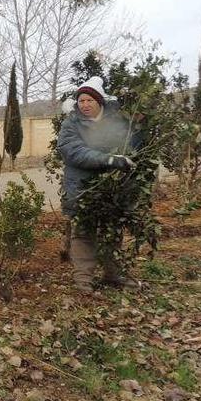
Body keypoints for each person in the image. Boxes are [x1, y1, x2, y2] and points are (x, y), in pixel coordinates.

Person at [57, 76, 140, 293]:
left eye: (89, 101)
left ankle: (114, 274)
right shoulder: (70, 124)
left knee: (112, 231)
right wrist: (110, 160)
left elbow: (131, 145)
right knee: (83, 233)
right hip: (82, 189)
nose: (84, 105)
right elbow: (73, 152)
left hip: (113, 189)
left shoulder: (117, 122)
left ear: (99, 102)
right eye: (81, 101)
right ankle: (83, 280)